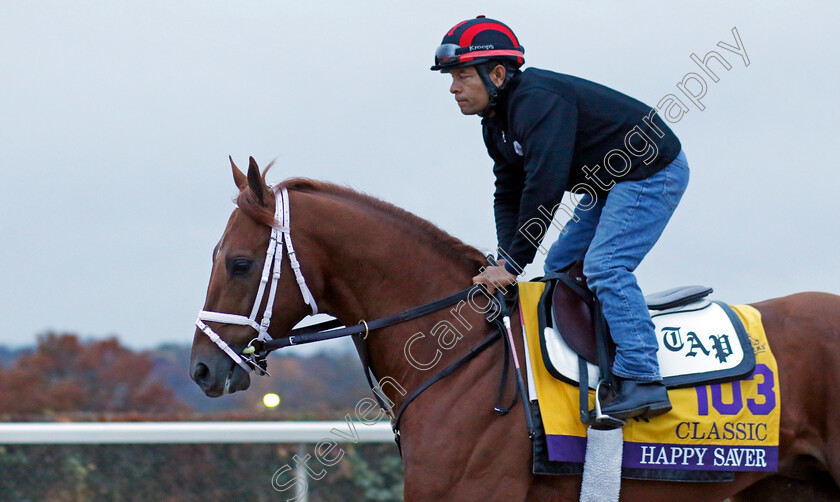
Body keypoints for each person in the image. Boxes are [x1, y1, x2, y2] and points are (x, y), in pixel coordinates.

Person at [431, 16, 689, 420]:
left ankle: (642, 377)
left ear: (497, 74)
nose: (453, 87)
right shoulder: (495, 124)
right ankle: (591, 363)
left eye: (462, 75)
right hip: (607, 183)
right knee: (559, 266)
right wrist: (505, 260)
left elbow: (544, 188)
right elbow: (509, 193)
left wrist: (514, 264)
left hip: (650, 170)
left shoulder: (537, 102)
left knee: (606, 266)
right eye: (450, 77)